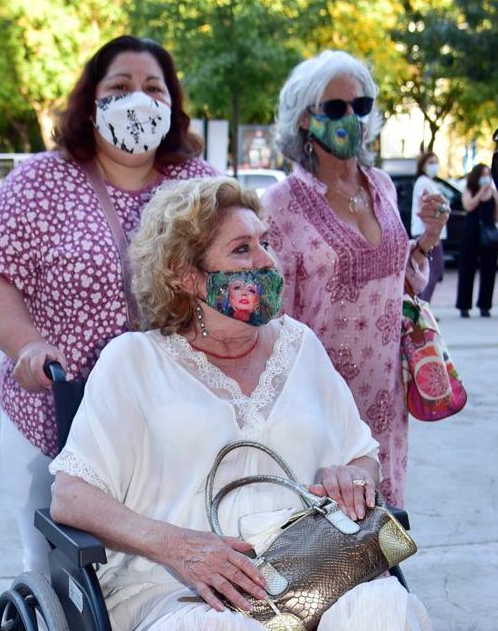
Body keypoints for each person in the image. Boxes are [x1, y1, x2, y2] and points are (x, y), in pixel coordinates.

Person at [49, 177, 431, 631]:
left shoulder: (299, 345)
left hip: (313, 574)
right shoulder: (133, 361)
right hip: (176, 589)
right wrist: (177, 546)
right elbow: (70, 496)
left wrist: (351, 475)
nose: (267, 260)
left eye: (265, 242)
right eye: (242, 249)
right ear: (186, 275)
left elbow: (361, 454)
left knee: (382, 608)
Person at [0, 35, 216, 574]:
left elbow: (239, 267)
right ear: (91, 100)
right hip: (58, 410)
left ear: (171, 104)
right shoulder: (42, 180)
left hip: (175, 410)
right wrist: (26, 346)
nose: (138, 100)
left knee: (164, 555)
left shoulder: (199, 184)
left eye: (153, 88)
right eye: (120, 87)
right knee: (59, 565)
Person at [261, 50, 449, 508]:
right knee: (329, 533)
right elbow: (272, 320)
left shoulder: (382, 186)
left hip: (387, 393)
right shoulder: (279, 205)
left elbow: (398, 281)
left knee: (384, 523)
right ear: (305, 120)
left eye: (361, 106)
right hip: (320, 401)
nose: (352, 118)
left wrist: (429, 238)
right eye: (335, 108)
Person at [455, 162, 498, 318]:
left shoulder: (493, 192)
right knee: (467, 269)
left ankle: (485, 305)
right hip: (471, 233)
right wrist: (480, 193)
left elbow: (496, 214)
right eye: (483, 174)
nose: (486, 178)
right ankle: (464, 306)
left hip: (488, 234)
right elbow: (468, 206)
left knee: (489, 270)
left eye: (488, 174)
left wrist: (494, 196)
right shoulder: (469, 190)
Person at [411, 152, 446, 302]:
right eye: (430, 162)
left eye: (436, 162)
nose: (434, 166)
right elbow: (424, 208)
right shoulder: (423, 182)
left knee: (425, 271)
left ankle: (421, 306)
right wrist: (432, 234)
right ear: (423, 165)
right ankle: (423, 306)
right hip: (426, 234)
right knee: (435, 269)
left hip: (429, 233)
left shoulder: (429, 182)